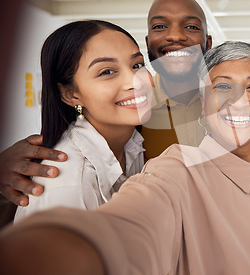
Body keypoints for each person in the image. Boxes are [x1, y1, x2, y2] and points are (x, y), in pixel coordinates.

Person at [0, 0, 250, 210]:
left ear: (207, 43)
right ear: (148, 43)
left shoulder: (233, 105)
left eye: (191, 27)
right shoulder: (134, 107)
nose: (175, 37)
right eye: (160, 27)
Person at [0, 41, 250, 275]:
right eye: (223, 87)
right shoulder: (177, 170)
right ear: (202, 100)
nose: (239, 100)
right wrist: (74, 246)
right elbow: (131, 223)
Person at [15, 20, 153, 222]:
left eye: (137, 65)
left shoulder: (131, 143)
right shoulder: (68, 185)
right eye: (107, 71)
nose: (135, 80)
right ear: (71, 94)